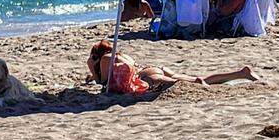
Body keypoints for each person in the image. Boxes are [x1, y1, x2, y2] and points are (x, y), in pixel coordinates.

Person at [86, 39, 262, 95]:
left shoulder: (105, 58)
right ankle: (241, 73)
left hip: (144, 75)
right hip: (151, 67)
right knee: (196, 79)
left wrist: (93, 67)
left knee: (169, 82)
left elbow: (103, 81)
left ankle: (203, 85)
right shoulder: (119, 54)